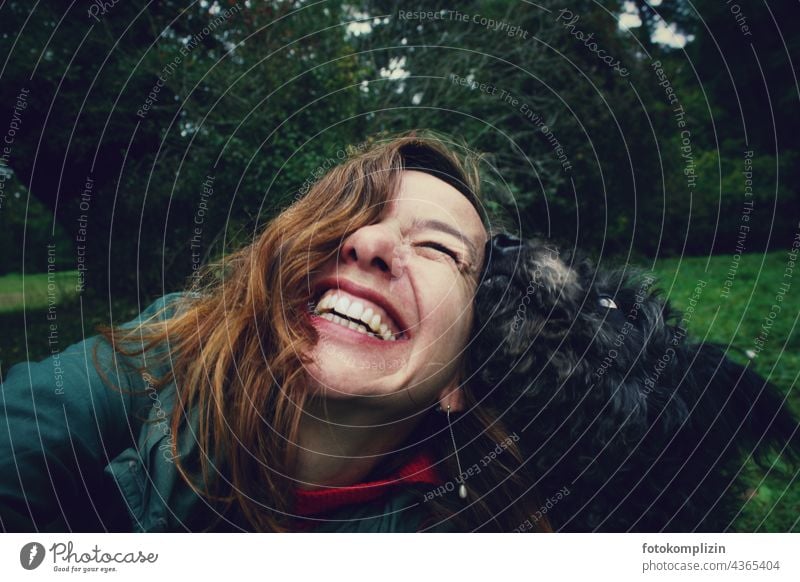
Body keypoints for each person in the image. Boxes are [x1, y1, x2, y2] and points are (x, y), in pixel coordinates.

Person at [0, 133, 550, 532]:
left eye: (437, 248)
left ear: (460, 377)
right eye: (350, 216)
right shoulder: (159, 357)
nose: (369, 244)